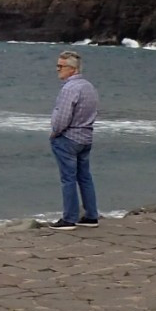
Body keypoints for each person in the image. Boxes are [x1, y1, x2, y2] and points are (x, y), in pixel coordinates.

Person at [49, 50, 100, 228]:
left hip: (69, 138)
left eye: (60, 66)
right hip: (86, 137)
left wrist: (54, 133)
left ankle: (69, 218)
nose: (57, 70)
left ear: (72, 69)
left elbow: (62, 117)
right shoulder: (89, 87)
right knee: (85, 177)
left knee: (68, 179)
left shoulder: (70, 88)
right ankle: (91, 215)